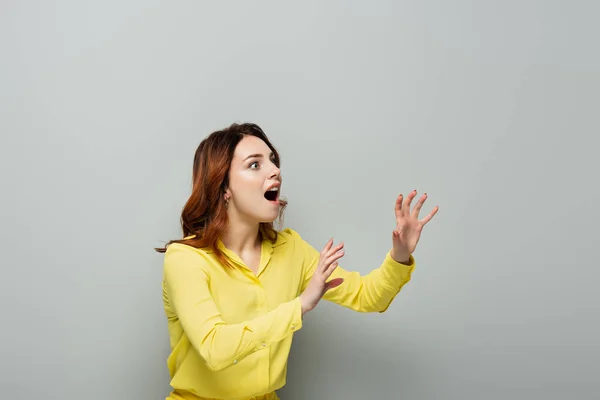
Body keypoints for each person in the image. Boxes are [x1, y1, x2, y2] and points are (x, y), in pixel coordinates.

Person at [155, 122, 438, 400]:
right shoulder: (186, 259)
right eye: (255, 164)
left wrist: (400, 255)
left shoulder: (291, 250)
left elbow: (368, 297)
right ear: (223, 186)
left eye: (273, 160)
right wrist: (300, 306)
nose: (275, 170)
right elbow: (214, 348)